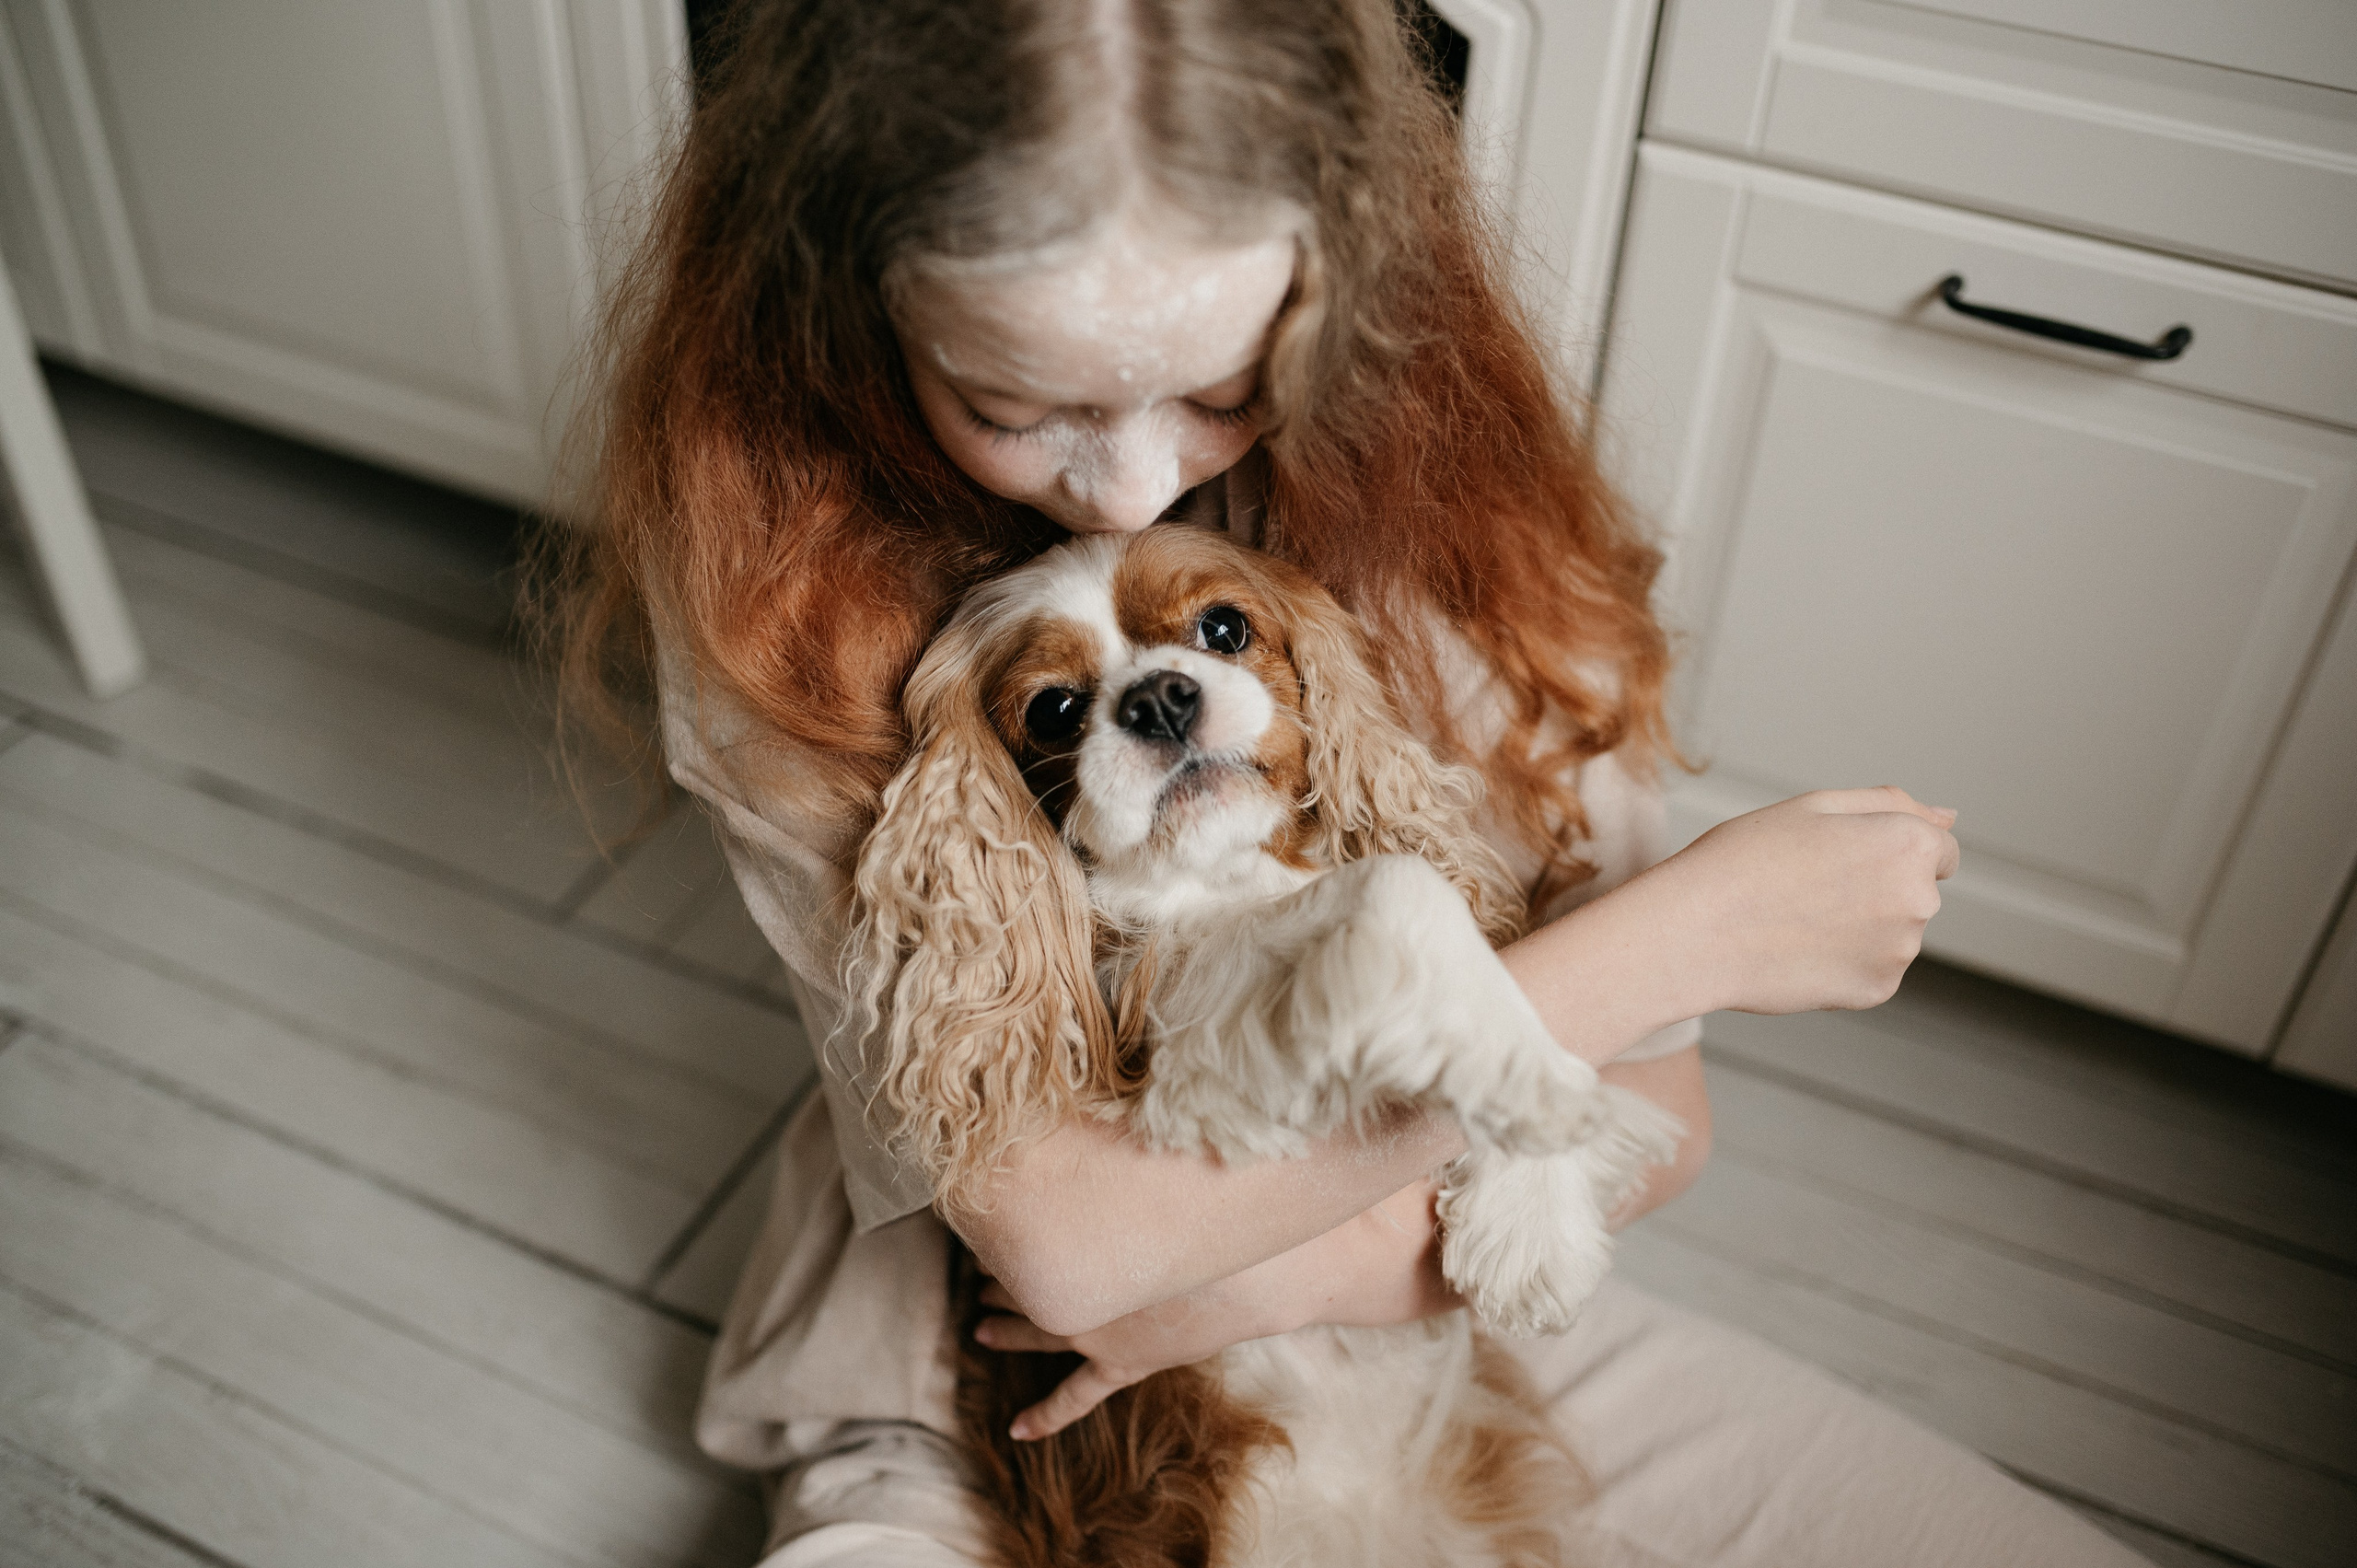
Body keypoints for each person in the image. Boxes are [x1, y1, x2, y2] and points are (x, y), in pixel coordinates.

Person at [553, 2, 2148, 1563]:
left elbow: (1654, 1125)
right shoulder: (783, 584)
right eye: (1018, 407)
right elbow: (1071, 1258)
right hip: (971, 1380)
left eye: (1223, 385)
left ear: (1349, 280)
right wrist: (1683, 940)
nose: (1131, 484)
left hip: (1442, 1286)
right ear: (853, 313)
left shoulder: (1474, 529)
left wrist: (1288, 1277)